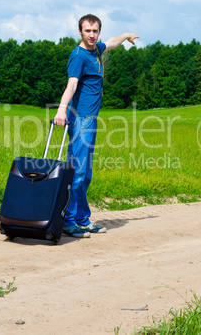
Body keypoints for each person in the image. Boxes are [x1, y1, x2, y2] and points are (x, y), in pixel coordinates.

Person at [54, 14, 139, 238]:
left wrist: (125, 36)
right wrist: (62, 109)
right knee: (77, 172)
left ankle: (82, 218)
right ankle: (68, 221)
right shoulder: (79, 56)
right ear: (80, 32)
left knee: (86, 173)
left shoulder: (96, 51)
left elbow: (111, 43)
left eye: (95, 31)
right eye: (87, 31)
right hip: (80, 119)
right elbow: (71, 85)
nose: (92, 35)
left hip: (90, 121)